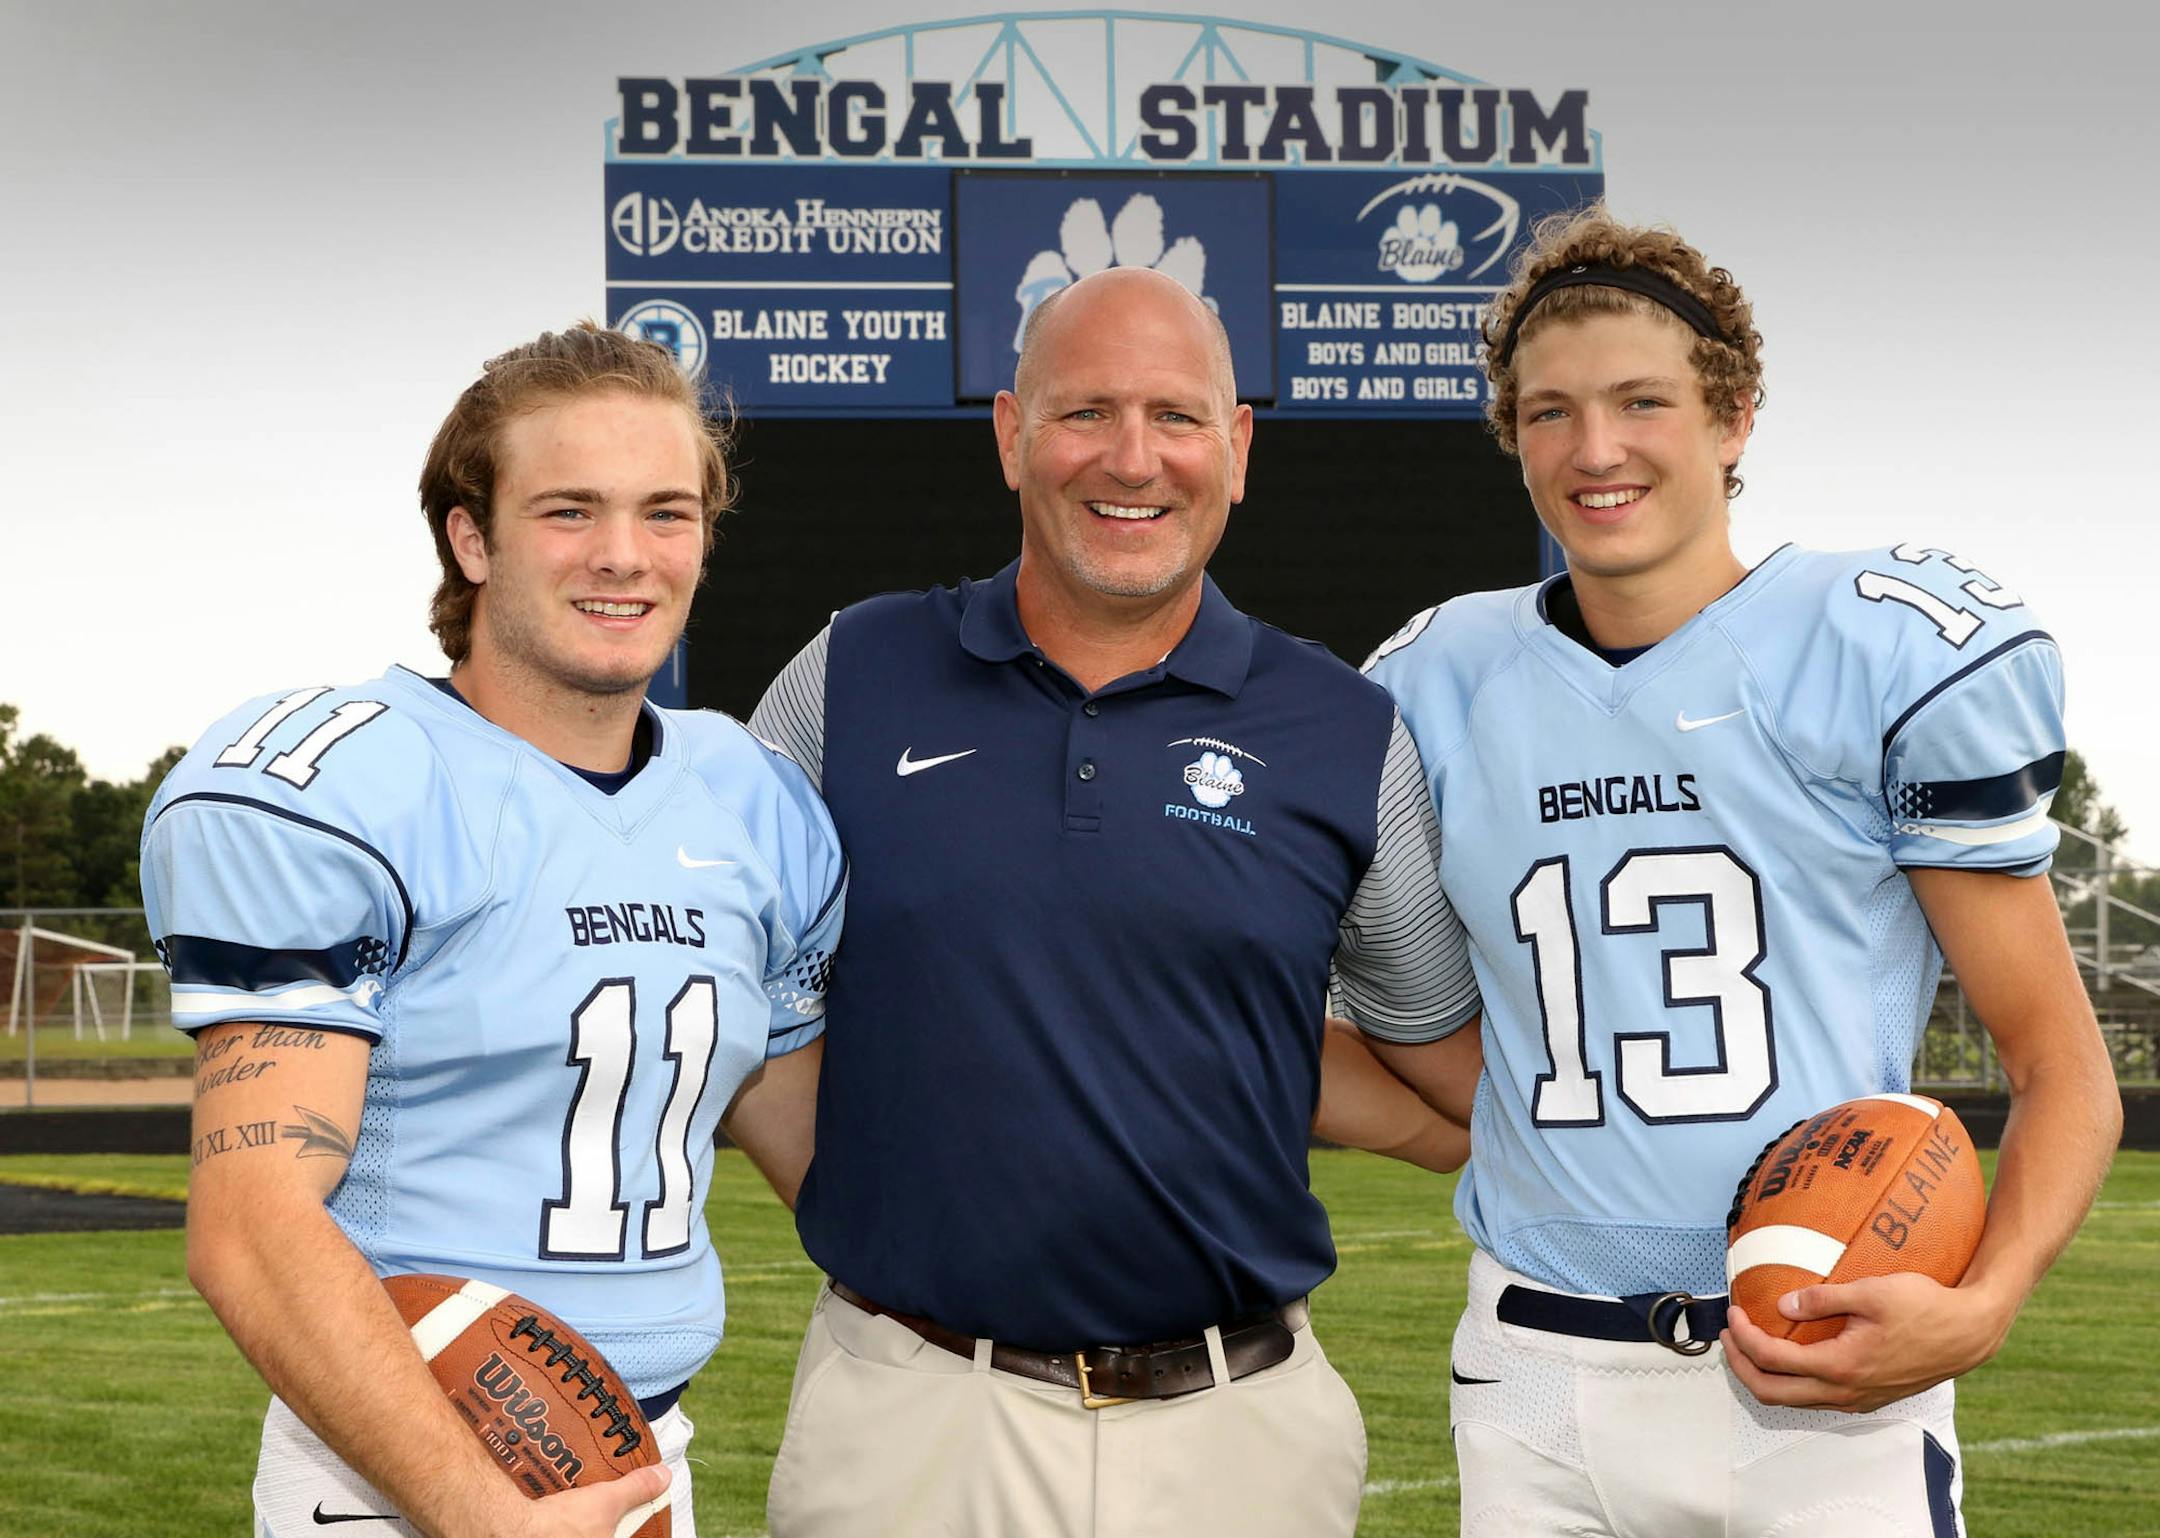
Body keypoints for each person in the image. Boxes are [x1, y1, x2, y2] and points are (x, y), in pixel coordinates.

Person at [1361, 207, 2123, 1536]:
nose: (1594, 449)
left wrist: (1980, 1303)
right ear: (1513, 436)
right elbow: (1415, 1025)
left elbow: (2062, 1056)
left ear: (1733, 416)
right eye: (1550, 412)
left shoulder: (1868, 646)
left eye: (1640, 400)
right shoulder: (1435, 682)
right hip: (1535, 1373)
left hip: (1826, 1371)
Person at [746, 265, 1483, 1538]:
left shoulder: (1350, 732)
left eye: (1178, 416)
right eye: (1086, 411)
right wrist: (865, 1205)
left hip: (1240, 1428)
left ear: (1237, 446)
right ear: (1011, 435)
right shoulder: (849, 675)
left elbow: (1429, 1052)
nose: (1133, 458)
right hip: (914, 1414)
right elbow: (734, 987)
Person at [141, 323, 846, 1538]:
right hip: (397, 1463)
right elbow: (252, 1225)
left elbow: (826, 1165)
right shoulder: (353, 781)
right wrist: (477, 1511)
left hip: (638, 1447)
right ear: (471, 537)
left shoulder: (752, 800)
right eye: (569, 510)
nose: (625, 555)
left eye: (666, 512)